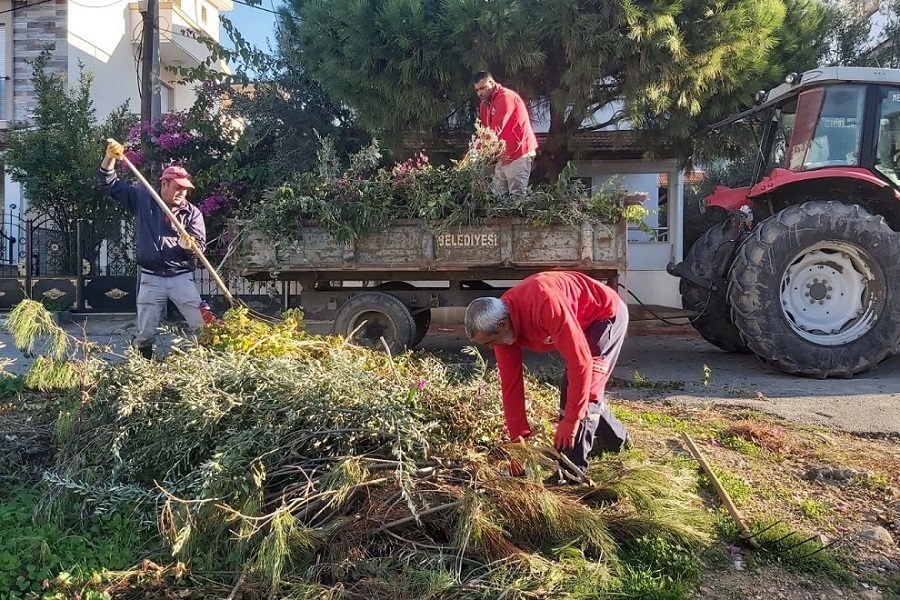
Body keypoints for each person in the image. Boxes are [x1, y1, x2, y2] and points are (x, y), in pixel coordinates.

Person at [464, 271, 632, 482]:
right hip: (577, 318)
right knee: (578, 392)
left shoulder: (544, 302)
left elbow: (581, 363)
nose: (491, 348)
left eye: (488, 343)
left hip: (605, 315)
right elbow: (511, 387)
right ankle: (620, 440)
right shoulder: (501, 328)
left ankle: (571, 476)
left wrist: (570, 421)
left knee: (584, 389)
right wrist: (519, 451)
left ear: (502, 326)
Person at [98, 140, 207, 360]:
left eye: (185, 189)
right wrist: (110, 158)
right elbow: (108, 183)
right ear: (164, 183)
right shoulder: (143, 200)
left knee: (201, 324)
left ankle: (208, 365)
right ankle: (144, 371)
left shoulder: (192, 214)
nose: (182, 193)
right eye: (177, 187)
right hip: (150, 279)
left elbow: (200, 247)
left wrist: (189, 247)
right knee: (145, 332)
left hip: (181, 277)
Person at [471, 71, 539, 199]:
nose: (480, 93)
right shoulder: (484, 104)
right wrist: (476, 148)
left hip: (519, 153)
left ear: (491, 83)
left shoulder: (506, 97)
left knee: (517, 198)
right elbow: (485, 131)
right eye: (477, 90)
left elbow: (495, 130)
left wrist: (477, 150)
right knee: (499, 199)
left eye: (483, 88)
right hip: (503, 156)